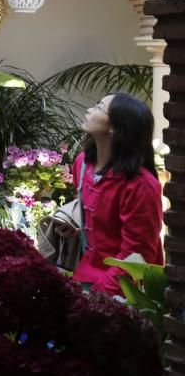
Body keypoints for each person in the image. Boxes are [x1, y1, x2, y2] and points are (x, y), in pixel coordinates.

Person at [59, 92, 164, 295]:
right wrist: (77, 224)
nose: (90, 109)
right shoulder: (82, 163)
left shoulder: (140, 185)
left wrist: (100, 295)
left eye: (99, 107)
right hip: (85, 276)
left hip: (125, 291)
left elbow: (137, 256)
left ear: (115, 127)